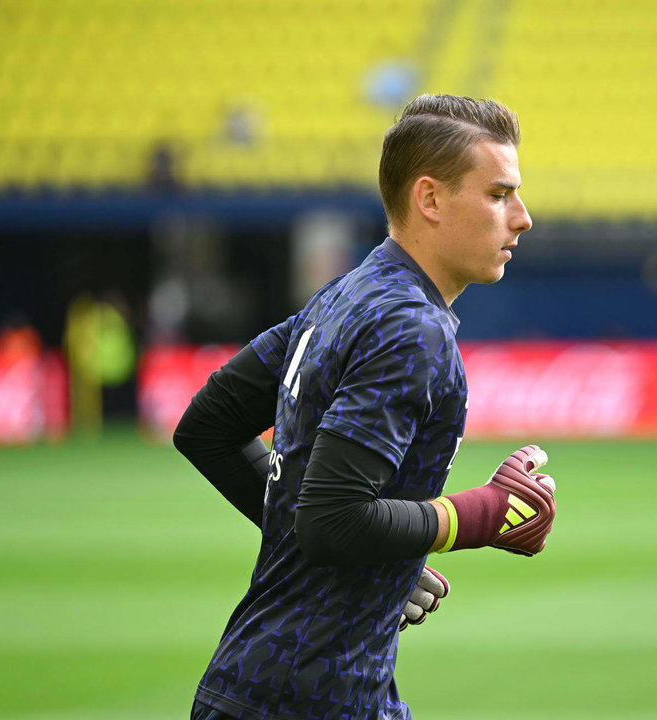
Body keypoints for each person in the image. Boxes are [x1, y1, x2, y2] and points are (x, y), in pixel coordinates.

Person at [174, 94, 557, 720]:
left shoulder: (343, 297)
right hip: (311, 700)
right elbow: (331, 520)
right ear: (429, 199)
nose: (522, 218)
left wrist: (388, 559)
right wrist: (478, 515)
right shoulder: (411, 327)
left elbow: (208, 429)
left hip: (270, 685)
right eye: (498, 194)